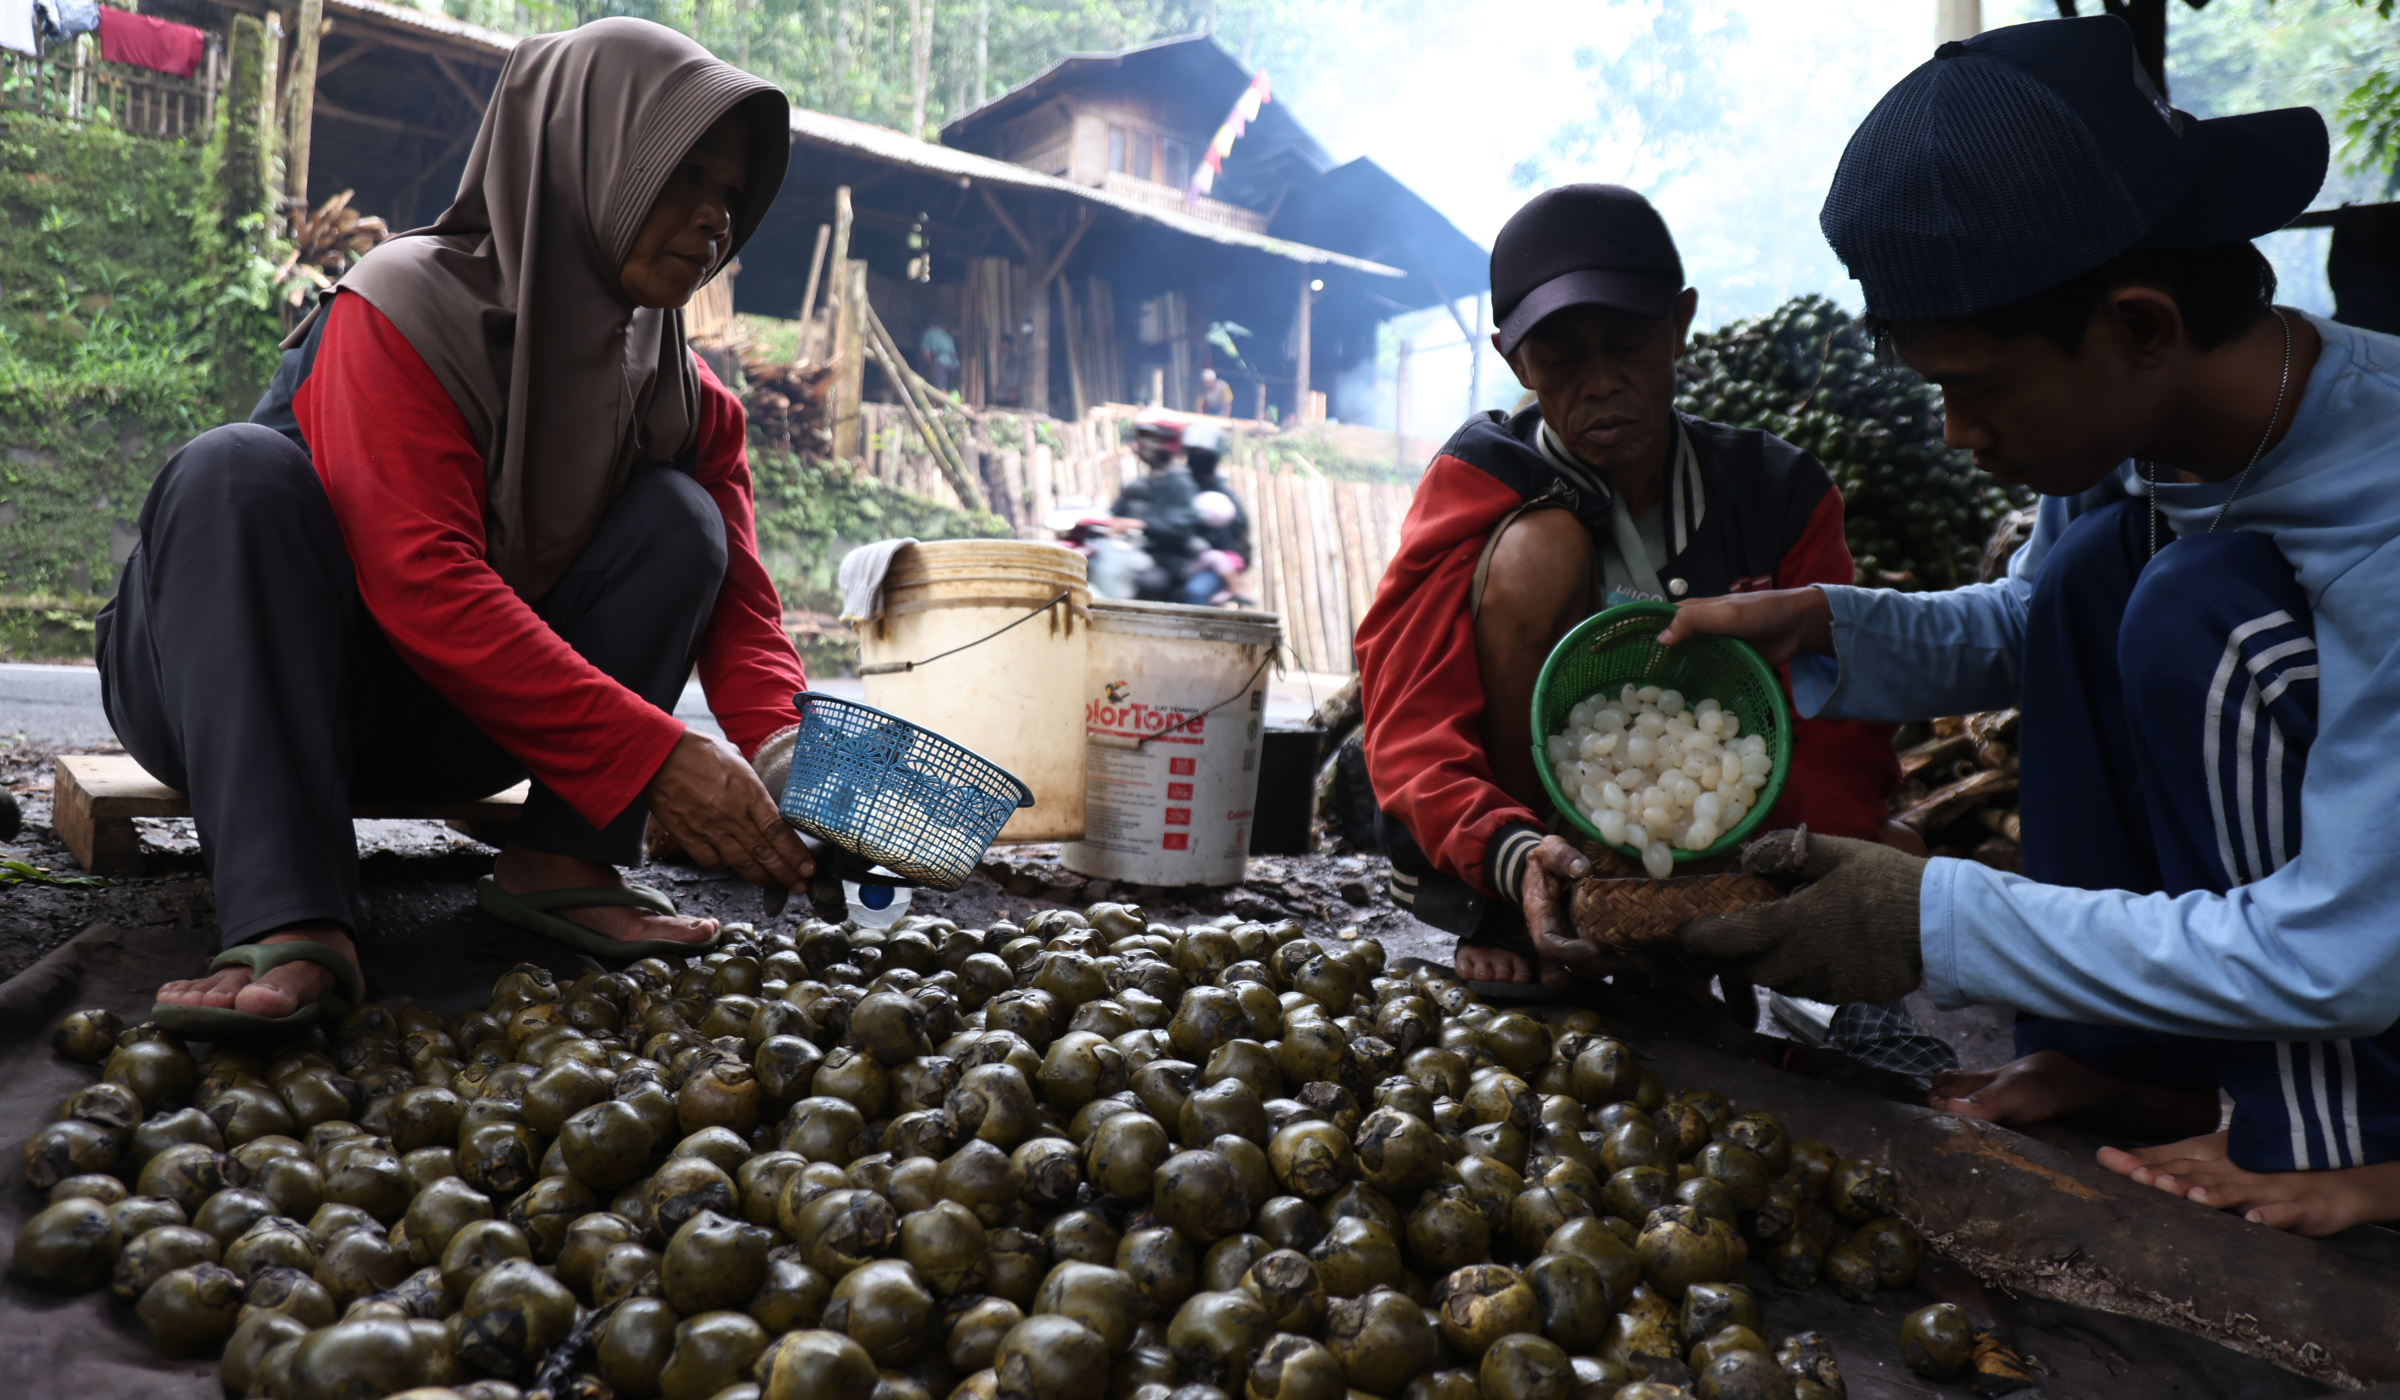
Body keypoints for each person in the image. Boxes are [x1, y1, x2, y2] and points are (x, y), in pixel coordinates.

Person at [1666, 15, 2400, 1237]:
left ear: (2142, 326)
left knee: (2197, 609)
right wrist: (1822, 625)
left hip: (2371, 935)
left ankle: (2347, 1136)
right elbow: (2032, 621)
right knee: (2093, 576)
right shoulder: (2137, 429)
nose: (1958, 435)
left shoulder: (2382, 501)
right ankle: (2130, 1058)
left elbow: (2348, 946)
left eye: (1978, 390)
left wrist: (1928, 913)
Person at [114, 20, 820, 1037]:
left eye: (732, 192)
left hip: (458, 726)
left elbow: (743, 609)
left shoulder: (685, 394)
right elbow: (423, 582)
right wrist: (656, 757)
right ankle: (290, 912)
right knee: (236, 470)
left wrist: (794, 766)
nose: (714, 217)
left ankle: (561, 860)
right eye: (685, 174)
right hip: (235, 700)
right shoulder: (403, 310)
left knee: (683, 520)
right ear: (585, 157)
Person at [1353, 185, 1903, 989]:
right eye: (1562, 357)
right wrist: (1502, 851)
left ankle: (1679, 934)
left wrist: (1802, 858)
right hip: (1520, 835)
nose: (1601, 382)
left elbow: (1834, 720)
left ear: (1680, 326)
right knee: (1539, 551)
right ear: (1514, 359)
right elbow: (1411, 719)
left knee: (1893, 863)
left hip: (1709, 841)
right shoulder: (1479, 482)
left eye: (1629, 344)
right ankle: (1517, 905)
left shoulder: (1776, 493)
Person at [1110, 411, 1209, 604]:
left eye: (1151, 437)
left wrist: (1139, 525)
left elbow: (1180, 528)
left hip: (1167, 560)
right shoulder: (1140, 483)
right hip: (1132, 553)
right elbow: (1114, 515)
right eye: (1142, 436)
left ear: (1168, 442)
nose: (1142, 443)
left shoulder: (1180, 482)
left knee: (1145, 582)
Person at [1180, 420, 1251, 605]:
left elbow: (1235, 539)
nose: (1196, 458)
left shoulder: (1221, 496)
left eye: (1202, 454)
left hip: (1212, 565)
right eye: (1193, 452)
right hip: (1177, 557)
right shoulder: (1179, 484)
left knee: (1195, 591)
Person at [921, 321, 960, 393]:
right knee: (951, 390)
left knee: (942, 389)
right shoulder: (948, 335)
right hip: (955, 365)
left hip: (941, 363)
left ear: (932, 325)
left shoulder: (929, 333)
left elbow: (926, 353)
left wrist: (931, 367)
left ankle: (944, 399)